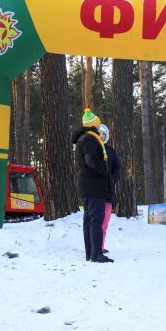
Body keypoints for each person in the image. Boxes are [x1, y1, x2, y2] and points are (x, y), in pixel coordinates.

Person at [71, 108, 114, 263]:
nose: (99, 128)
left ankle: (91, 253)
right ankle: (96, 254)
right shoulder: (90, 139)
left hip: (88, 184)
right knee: (95, 219)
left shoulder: (84, 138)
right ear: (93, 125)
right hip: (93, 185)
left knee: (89, 219)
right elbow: (91, 160)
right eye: (98, 125)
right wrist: (104, 169)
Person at [98, 124, 121, 254]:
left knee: (105, 221)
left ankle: (101, 245)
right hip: (96, 191)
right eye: (99, 133)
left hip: (109, 191)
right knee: (97, 221)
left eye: (104, 134)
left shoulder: (110, 150)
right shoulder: (93, 149)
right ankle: (96, 246)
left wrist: (113, 178)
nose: (101, 136)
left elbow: (117, 166)